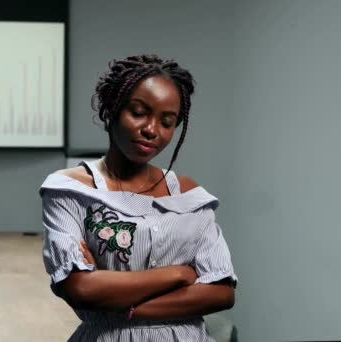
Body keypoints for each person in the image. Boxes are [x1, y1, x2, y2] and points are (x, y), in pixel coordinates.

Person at [39, 54, 237, 341]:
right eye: (139, 112)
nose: (151, 130)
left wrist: (129, 305)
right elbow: (80, 289)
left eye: (167, 122)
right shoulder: (69, 190)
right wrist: (179, 274)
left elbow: (222, 292)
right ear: (111, 109)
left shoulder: (188, 194)